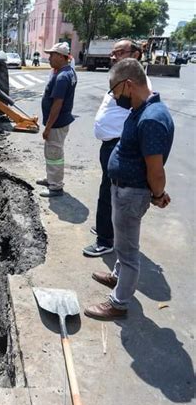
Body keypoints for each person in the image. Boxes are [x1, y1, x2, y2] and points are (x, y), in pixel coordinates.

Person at [85, 58, 174, 320]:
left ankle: (118, 303)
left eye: (114, 91)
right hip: (122, 188)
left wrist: (158, 195)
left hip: (131, 193)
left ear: (128, 84)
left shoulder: (152, 119)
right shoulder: (140, 109)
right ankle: (117, 276)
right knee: (123, 242)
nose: (114, 98)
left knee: (128, 250)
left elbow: (155, 170)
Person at [83, 40, 152, 257]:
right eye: (112, 53)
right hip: (110, 143)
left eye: (120, 53)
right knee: (108, 189)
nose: (113, 56)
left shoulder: (137, 84)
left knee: (110, 191)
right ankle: (106, 226)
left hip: (119, 143)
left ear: (137, 54)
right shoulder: (119, 77)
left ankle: (105, 240)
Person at [36, 42, 77, 197]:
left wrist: (47, 128)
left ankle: (55, 187)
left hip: (57, 123)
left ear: (61, 56)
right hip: (60, 121)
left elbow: (57, 105)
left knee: (54, 154)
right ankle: (51, 178)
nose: (49, 58)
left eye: (52, 55)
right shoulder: (68, 71)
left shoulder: (62, 77)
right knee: (51, 152)